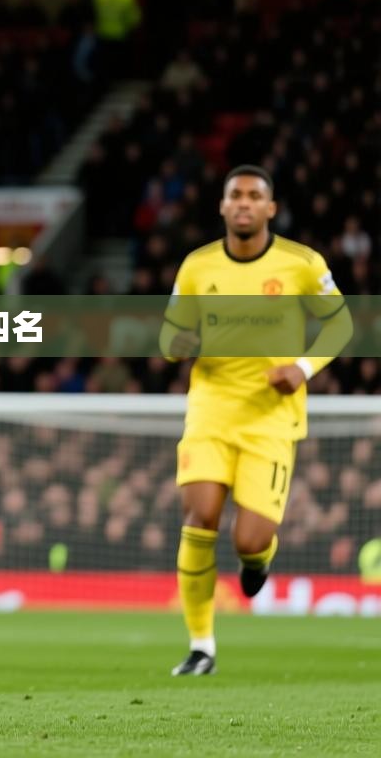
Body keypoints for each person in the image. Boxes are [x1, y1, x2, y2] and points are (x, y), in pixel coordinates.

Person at [160, 165, 352, 676]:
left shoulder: (301, 264)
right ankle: (201, 646)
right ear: (223, 206)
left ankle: (256, 559)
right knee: (199, 517)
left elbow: (340, 323)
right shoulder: (197, 266)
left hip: (271, 419)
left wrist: (303, 368)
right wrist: (179, 345)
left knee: (249, 539)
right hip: (210, 411)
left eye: (254, 196)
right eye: (235, 195)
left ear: (270, 208)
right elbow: (170, 335)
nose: (244, 203)